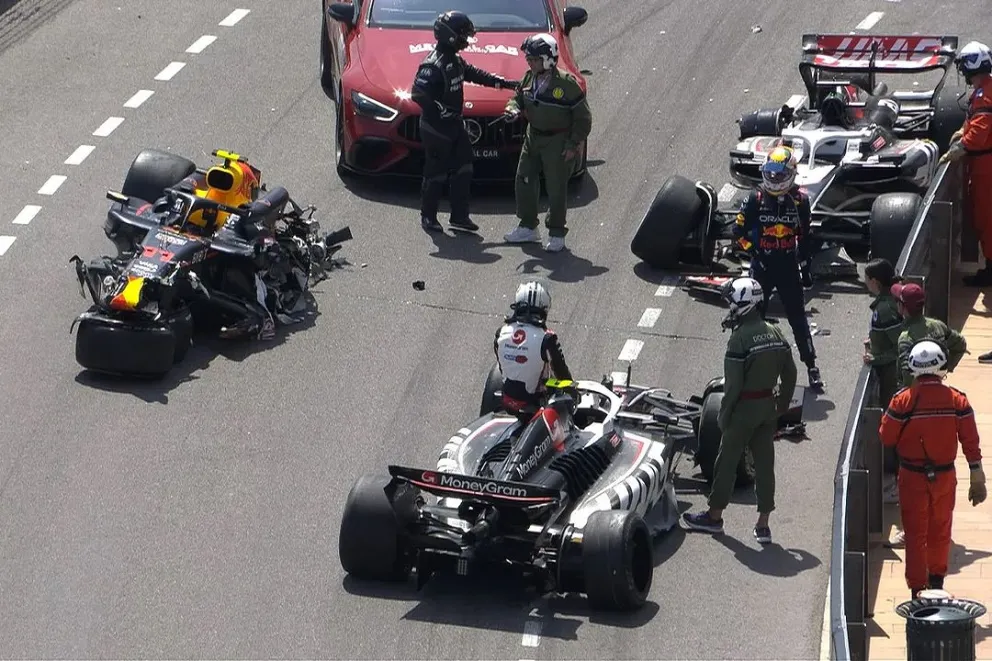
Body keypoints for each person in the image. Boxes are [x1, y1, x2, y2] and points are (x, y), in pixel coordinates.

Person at [682, 277, 798, 544]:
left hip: (743, 411)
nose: (730, 307)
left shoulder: (739, 339)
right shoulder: (776, 332)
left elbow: (732, 387)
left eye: (732, 302)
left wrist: (724, 415)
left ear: (744, 305)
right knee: (765, 465)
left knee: (726, 463)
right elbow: (790, 375)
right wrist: (781, 405)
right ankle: (763, 524)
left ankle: (713, 517)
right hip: (768, 408)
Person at [878, 340, 986, 598]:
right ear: (942, 367)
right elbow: (970, 440)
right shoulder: (958, 401)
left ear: (913, 368)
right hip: (945, 476)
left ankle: (917, 590)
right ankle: (936, 584)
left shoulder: (902, 401)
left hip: (912, 477)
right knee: (941, 529)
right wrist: (976, 474)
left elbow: (886, 437)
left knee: (915, 534)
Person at [411, 11, 518, 234]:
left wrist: (504, 83)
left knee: (464, 168)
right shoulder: (433, 64)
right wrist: (439, 111)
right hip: (436, 128)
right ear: (450, 36)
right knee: (436, 173)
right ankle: (428, 217)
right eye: (463, 35)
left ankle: (459, 216)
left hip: (455, 126)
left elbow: (475, 74)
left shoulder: (455, 60)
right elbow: (418, 94)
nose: (466, 40)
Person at [733, 144, 824, 392]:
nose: (773, 179)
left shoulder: (800, 201)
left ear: (792, 173)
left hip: (787, 267)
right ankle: (745, 365)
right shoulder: (755, 197)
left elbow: (806, 236)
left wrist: (805, 265)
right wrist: (754, 252)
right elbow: (737, 231)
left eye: (779, 175)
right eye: (770, 173)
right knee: (750, 318)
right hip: (762, 266)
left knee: (798, 319)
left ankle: (812, 366)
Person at [502, 33, 592, 253]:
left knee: (556, 187)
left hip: (558, 141)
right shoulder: (528, 78)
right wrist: (512, 108)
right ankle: (528, 226)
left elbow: (584, 118)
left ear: (548, 59)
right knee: (524, 178)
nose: (530, 63)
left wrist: (573, 144)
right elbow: (518, 98)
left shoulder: (567, 84)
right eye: (529, 59)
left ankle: (557, 232)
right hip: (533, 137)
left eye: (534, 59)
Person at [941, 41, 992, 286]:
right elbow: (974, 121)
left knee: (987, 218)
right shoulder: (983, 91)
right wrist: (962, 132)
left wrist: (961, 146)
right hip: (983, 164)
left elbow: (981, 130)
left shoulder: (985, 94)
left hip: (986, 167)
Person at [493, 280, 572, 414]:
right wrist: (573, 394)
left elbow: (502, 368)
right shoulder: (547, 338)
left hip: (507, 402)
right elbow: (562, 373)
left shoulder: (501, 333)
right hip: (536, 406)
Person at [892, 282, 967, 388]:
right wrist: (943, 369)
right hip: (937, 387)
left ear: (902, 306)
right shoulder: (938, 325)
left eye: (897, 301)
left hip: (915, 397)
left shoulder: (905, 338)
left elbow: (908, 377)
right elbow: (960, 344)